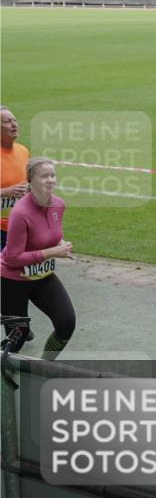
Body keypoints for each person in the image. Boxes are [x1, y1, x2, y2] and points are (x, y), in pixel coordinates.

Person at [0, 158, 76, 359]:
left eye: (52, 175)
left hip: (42, 276)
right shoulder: (20, 213)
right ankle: (5, 368)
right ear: (30, 180)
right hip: (12, 280)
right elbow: (13, 258)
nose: (50, 180)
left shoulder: (58, 204)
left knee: (66, 323)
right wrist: (53, 252)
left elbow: (50, 234)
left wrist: (61, 243)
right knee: (18, 336)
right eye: (44, 176)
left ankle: (44, 365)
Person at [1, 106, 34, 343]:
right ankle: (14, 332)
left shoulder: (23, 152)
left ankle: (20, 325)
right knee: (7, 283)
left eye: (14, 119)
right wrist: (5, 192)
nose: (14, 124)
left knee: (22, 280)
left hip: (20, 230)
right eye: (7, 121)